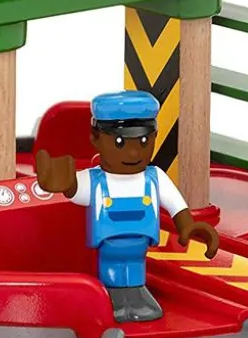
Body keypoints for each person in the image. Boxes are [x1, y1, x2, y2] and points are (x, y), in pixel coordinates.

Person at [35, 90, 220, 322]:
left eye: (143, 141)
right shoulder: (94, 180)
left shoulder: (155, 178)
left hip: (139, 247)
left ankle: (136, 298)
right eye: (120, 142)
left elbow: (175, 204)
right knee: (111, 271)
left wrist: (188, 225)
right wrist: (65, 184)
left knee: (134, 270)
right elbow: (75, 189)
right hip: (108, 246)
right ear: (96, 139)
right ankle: (112, 298)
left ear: (154, 137)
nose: (133, 152)